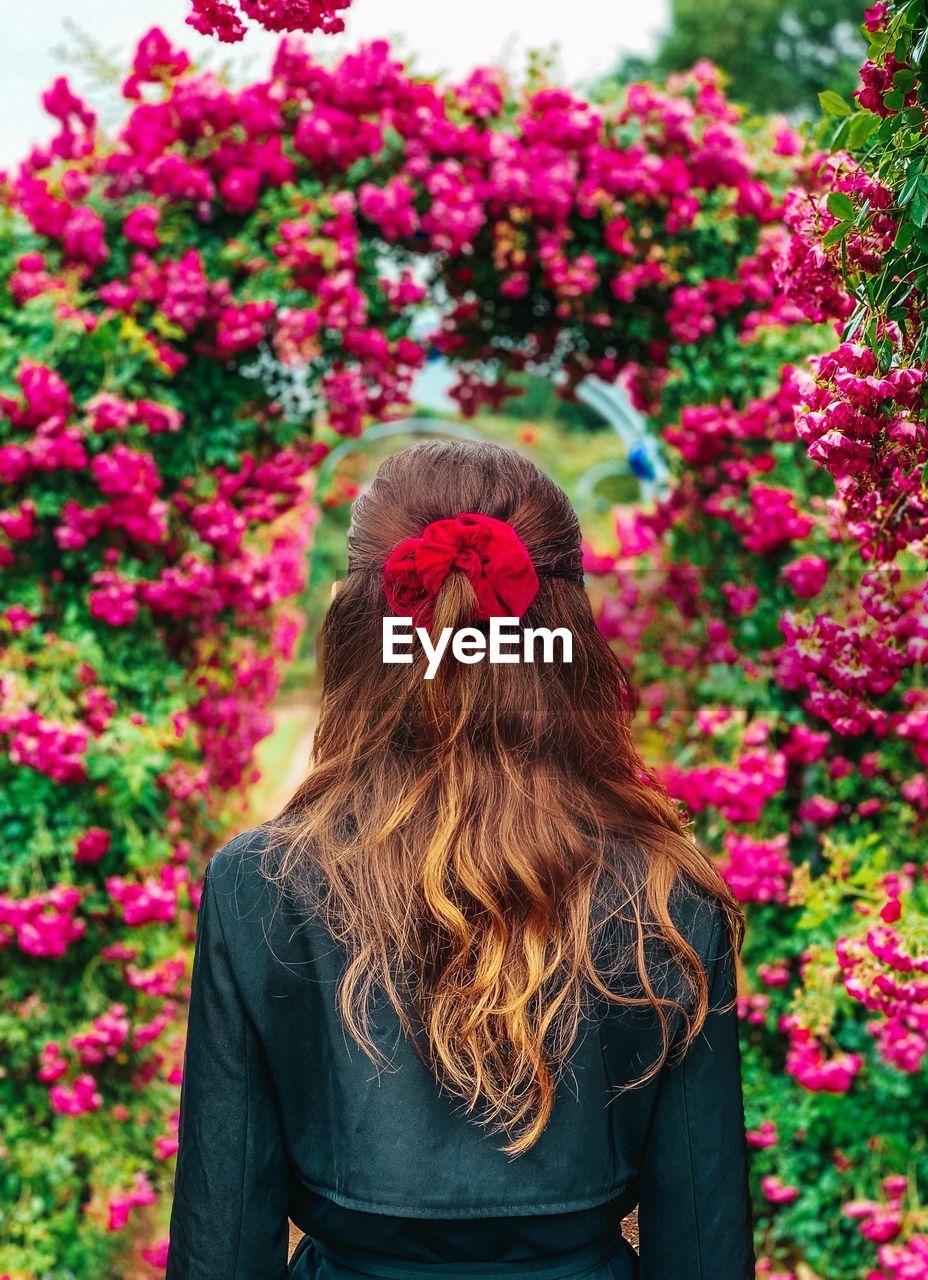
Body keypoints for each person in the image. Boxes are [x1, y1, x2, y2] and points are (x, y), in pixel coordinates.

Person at [165, 440, 755, 1280]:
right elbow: (703, 1238)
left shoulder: (259, 886)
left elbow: (221, 1242)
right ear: (570, 642)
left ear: (361, 638)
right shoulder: (670, 895)